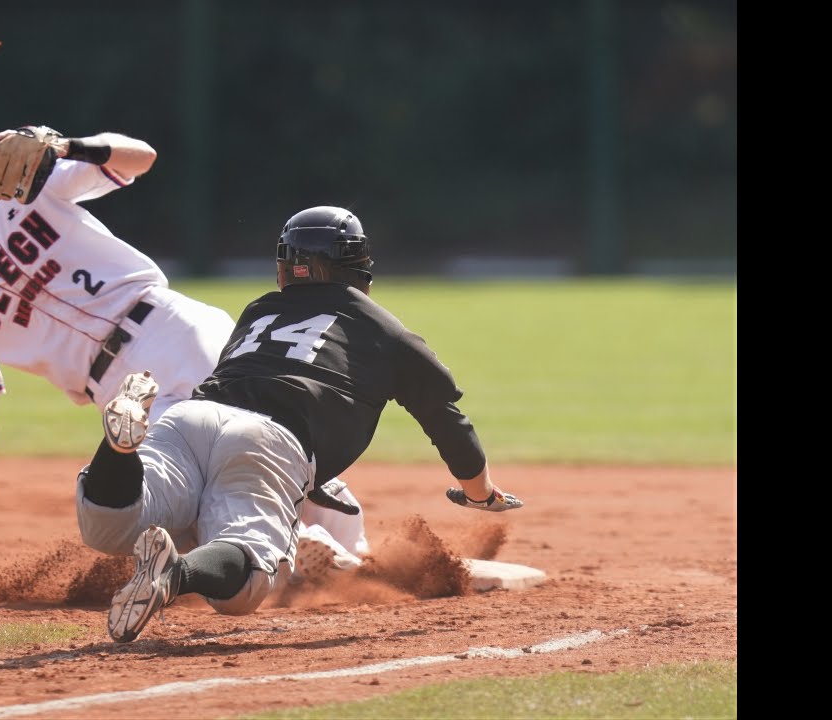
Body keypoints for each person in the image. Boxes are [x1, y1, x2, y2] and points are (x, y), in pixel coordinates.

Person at [0, 131, 369, 600]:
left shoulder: (27, 196)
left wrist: (67, 147)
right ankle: (330, 554)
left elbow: (141, 157)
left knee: (247, 452)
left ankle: (329, 545)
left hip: (169, 329)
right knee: (179, 504)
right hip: (120, 392)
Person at [74, 205, 525, 643]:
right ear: (359, 268)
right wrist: (480, 494)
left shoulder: (260, 310)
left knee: (108, 527)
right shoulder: (387, 333)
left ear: (286, 268)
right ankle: (175, 573)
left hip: (187, 418)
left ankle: (118, 452)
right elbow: (447, 420)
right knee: (248, 575)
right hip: (270, 442)